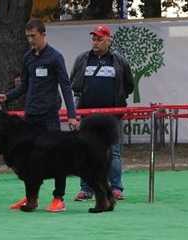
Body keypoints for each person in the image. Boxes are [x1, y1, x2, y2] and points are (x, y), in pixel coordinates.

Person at [0, 19, 79, 212]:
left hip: (50, 117)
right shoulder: (27, 58)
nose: (30, 40)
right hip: (30, 118)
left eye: (33, 36)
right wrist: (6, 95)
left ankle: (59, 198)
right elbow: (24, 86)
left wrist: (72, 115)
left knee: (57, 158)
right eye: (28, 37)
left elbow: (65, 86)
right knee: (28, 160)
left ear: (43, 34)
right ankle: (30, 198)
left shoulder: (55, 57)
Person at [70, 24, 134, 201]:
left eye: (99, 38)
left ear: (108, 40)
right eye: (94, 38)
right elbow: (73, 82)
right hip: (87, 116)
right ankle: (86, 189)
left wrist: (118, 100)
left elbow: (129, 85)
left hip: (112, 116)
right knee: (86, 151)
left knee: (113, 152)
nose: (95, 42)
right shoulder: (82, 59)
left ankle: (115, 188)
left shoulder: (120, 61)